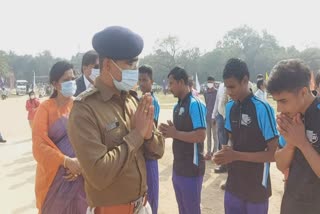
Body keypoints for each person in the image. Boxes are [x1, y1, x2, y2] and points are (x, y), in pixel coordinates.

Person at [67, 26, 165, 214]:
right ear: (108, 65)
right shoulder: (85, 109)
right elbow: (98, 173)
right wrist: (137, 135)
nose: (134, 71)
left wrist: (148, 133)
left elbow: (158, 151)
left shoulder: (133, 100)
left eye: (136, 64)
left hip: (142, 207)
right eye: (130, 64)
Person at [213, 58, 279, 214]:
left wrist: (236, 155)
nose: (229, 92)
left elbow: (273, 154)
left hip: (256, 187)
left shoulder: (263, 108)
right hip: (234, 185)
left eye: (232, 87)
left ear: (245, 81)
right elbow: (231, 139)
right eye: (226, 87)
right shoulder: (230, 107)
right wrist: (224, 154)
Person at [32, 61, 87, 214]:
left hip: (80, 176)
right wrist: (66, 161)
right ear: (55, 84)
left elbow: (89, 140)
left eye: (73, 78)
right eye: (66, 80)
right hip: (54, 179)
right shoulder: (45, 108)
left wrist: (80, 164)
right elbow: (39, 145)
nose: (71, 82)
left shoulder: (80, 106)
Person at [267, 59, 320, 214]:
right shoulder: (290, 118)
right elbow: (280, 165)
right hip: (292, 203)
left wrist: (302, 143)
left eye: (283, 101)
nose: (279, 108)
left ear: (303, 92)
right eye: (276, 101)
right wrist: (291, 144)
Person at [159, 66, 206, 214]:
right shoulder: (177, 106)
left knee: (192, 209)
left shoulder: (195, 103)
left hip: (192, 169)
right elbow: (178, 133)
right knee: (182, 209)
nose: (169, 87)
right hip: (178, 167)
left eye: (171, 83)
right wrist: (169, 131)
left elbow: (200, 135)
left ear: (181, 82)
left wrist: (175, 133)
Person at [138, 65, 161, 214]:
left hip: (149, 155)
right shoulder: (139, 100)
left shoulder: (153, 102)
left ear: (152, 81)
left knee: (151, 198)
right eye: (139, 80)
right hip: (140, 155)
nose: (142, 83)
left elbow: (151, 129)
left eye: (145, 80)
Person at [211, 81, 229, 173]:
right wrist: (214, 115)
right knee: (221, 140)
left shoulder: (233, 85)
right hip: (220, 116)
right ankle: (223, 164)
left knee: (229, 141)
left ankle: (228, 164)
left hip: (230, 116)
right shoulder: (222, 86)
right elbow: (217, 101)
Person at [204, 76, 218, 159]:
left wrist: (215, 116)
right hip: (207, 117)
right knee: (208, 136)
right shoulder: (206, 93)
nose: (210, 84)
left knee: (215, 136)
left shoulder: (216, 92)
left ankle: (215, 152)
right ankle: (209, 152)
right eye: (208, 82)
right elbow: (207, 104)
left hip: (214, 118)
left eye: (211, 82)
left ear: (214, 82)